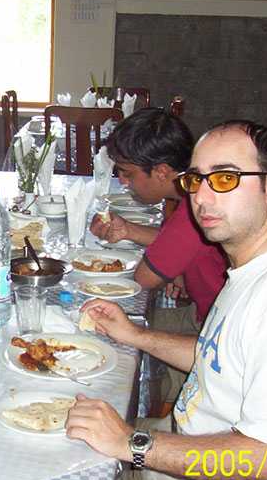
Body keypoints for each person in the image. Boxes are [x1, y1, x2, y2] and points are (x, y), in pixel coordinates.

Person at [70, 121, 267, 480]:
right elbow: (220, 357)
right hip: (211, 461)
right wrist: (135, 335)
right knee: (66, 434)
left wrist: (132, 444)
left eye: (225, 179)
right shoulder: (256, 265)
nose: (201, 197)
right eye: (196, 180)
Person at [89, 108, 227, 405]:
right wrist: (128, 230)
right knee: (109, 326)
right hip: (204, 315)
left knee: (101, 350)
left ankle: (150, 407)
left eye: (128, 173)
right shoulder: (195, 196)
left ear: (162, 172)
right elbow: (179, 243)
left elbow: (143, 279)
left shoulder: (192, 211)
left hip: (213, 335)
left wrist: (170, 266)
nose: (123, 182)